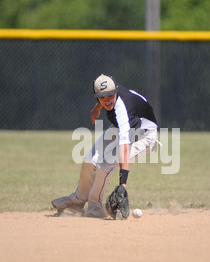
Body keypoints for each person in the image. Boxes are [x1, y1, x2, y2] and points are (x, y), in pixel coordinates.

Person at [52, 74, 160, 218]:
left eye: (110, 96)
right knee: (90, 160)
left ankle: (95, 208)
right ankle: (77, 201)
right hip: (122, 128)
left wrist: (123, 185)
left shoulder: (123, 110)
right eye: (102, 98)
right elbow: (105, 95)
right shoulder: (109, 90)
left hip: (145, 136)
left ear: (116, 90)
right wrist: (96, 108)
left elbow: (124, 147)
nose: (107, 100)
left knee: (105, 166)